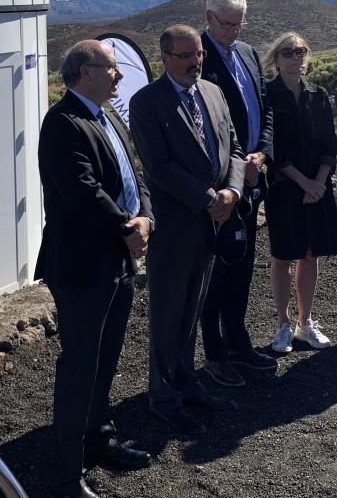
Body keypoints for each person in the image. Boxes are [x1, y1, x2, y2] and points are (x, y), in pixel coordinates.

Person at [37, 39, 154, 498]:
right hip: (83, 265)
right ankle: (66, 474)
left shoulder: (108, 119)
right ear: (85, 71)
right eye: (111, 68)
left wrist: (145, 218)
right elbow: (82, 192)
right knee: (80, 366)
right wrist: (129, 227)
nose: (119, 75)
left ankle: (98, 440)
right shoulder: (63, 123)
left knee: (106, 359)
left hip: (116, 259)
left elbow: (133, 176)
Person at [130, 25, 243, 436]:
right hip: (177, 226)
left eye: (198, 55)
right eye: (185, 56)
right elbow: (158, 167)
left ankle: (186, 381)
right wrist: (210, 199)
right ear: (164, 58)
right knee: (167, 312)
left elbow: (232, 143)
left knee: (193, 307)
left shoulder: (212, 91)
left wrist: (232, 189)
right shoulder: (147, 102)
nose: (195, 62)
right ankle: (163, 397)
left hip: (213, 223)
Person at [196, 0, 277, 387]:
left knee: (243, 263)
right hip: (220, 184)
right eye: (226, 24)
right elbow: (199, 127)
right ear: (208, 17)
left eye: (239, 24)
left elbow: (264, 108)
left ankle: (238, 341)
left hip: (252, 176)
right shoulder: (195, 57)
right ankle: (214, 353)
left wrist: (261, 154)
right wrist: (235, 166)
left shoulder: (247, 53)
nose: (233, 31)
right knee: (217, 269)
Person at [262, 32, 337, 353]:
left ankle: (304, 323)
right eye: (288, 52)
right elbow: (271, 147)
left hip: (316, 186)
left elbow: (329, 143)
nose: (296, 57)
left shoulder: (318, 95)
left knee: (311, 253)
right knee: (283, 255)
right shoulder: (267, 94)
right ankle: (283, 323)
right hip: (284, 188)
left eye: (301, 51)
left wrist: (320, 181)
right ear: (276, 57)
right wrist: (304, 182)